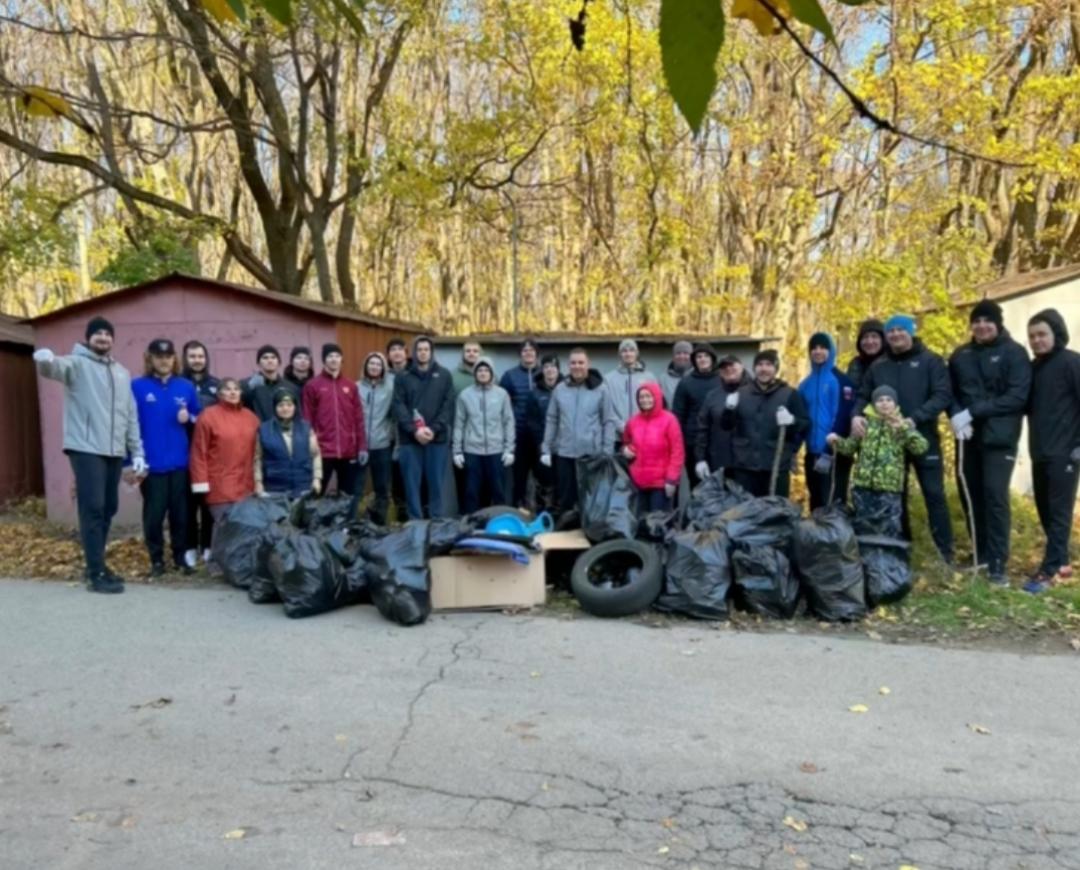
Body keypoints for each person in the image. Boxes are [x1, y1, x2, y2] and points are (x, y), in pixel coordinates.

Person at [33, 316, 146, 593]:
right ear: (88, 338)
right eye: (97, 334)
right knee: (93, 506)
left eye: (107, 334)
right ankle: (94, 572)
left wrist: (138, 451)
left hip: (113, 450)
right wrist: (45, 361)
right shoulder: (76, 363)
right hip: (85, 447)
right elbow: (55, 368)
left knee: (109, 507)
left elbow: (130, 415)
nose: (103, 338)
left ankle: (97, 563)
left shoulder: (121, 372)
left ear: (112, 340)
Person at [855, 313, 954, 563]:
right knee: (895, 495)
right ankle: (900, 550)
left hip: (923, 437)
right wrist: (856, 416)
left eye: (901, 330)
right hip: (890, 444)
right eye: (891, 331)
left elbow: (942, 395)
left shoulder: (931, 361)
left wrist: (914, 419)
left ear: (911, 332)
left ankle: (945, 554)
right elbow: (863, 395)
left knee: (934, 494)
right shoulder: (879, 366)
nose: (896, 335)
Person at [948, 300, 1031, 585]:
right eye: (977, 321)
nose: (982, 326)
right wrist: (957, 415)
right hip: (968, 437)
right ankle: (980, 554)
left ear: (998, 324)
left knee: (995, 497)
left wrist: (974, 411)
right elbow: (950, 391)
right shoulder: (961, 355)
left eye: (988, 321)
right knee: (971, 495)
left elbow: (1016, 397)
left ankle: (998, 563)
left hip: (1000, 438)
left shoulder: (1015, 353)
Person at [131, 339, 202, 578]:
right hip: (151, 465)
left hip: (180, 464)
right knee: (153, 516)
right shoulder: (137, 387)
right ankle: (157, 560)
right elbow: (128, 426)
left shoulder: (185, 386)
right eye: (159, 356)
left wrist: (189, 418)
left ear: (174, 359)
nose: (164, 361)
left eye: (168, 356)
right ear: (150, 359)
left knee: (180, 515)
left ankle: (180, 557)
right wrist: (129, 461)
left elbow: (200, 420)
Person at [1023, 309, 1080, 593]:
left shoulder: (1072, 362)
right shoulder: (1034, 369)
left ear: (1056, 333)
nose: (1036, 340)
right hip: (1040, 451)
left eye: (1042, 334)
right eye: (1032, 336)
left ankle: (1048, 571)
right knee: (1045, 511)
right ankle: (1063, 563)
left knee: (1059, 513)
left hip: (1066, 454)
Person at [827, 386, 929, 537]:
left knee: (889, 529)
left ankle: (889, 559)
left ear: (895, 404)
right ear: (874, 404)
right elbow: (849, 448)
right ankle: (866, 559)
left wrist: (903, 430)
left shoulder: (902, 424)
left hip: (889, 488)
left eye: (889, 400)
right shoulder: (864, 424)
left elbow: (921, 447)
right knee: (863, 527)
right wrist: (836, 441)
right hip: (863, 487)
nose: (885, 403)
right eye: (880, 400)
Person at [720, 349, 809, 498]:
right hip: (745, 468)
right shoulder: (741, 394)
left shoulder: (789, 394)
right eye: (760, 364)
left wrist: (792, 421)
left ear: (775, 369)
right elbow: (726, 426)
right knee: (746, 515)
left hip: (776, 467)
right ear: (754, 368)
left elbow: (805, 425)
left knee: (775, 515)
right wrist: (729, 409)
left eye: (769, 364)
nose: (764, 369)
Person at [541, 348, 614, 519]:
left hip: (590, 455)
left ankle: (588, 536)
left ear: (588, 364)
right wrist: (546, 447)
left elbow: (608, 421)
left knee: (589, 500)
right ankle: (568, 535)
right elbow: (552, 419)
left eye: (581, 362)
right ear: (568, 365)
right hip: (565, 453)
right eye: (573, 363)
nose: (577, 366)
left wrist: (607, 450)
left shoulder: (600, 389)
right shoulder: (560, 389)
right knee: (566, 499)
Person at [392, 336, 454, 519]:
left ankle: (436, 524)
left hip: (437, 440)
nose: (423, 353)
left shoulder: (444, 375)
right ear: (414, 352)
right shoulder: (403, 377)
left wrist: (433, 429)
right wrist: (414, 430)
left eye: (426, 349)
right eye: (419, 349)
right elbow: (398, 406)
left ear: (431, 352)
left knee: (436, 485)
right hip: (410, 441)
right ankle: (415, 525)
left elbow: (448, 405)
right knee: (412, 486)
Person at [189, 377, 260, 534]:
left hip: (246, 486)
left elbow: (259, 452)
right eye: (228, 389)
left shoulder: (251, 417)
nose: (232, 392)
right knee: (225, 529)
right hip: (220, 486)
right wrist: (201, 482)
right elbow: (199, 451)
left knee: (245, 530)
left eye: (236, 388)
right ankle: (218, 558)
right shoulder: (208, 416)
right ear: (219, 394)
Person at [302, 343, 366, 510]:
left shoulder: (351, 386)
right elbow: (307, 419)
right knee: (317, 493)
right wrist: (310, 444)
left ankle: (345, 530)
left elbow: (358, 419)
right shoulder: (313, 386)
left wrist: (362, 447)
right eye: (330, 356)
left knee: (347, 496)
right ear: (324, 360)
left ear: (341, 359)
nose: (334, 359)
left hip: (348, 451)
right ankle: (313, 531)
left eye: (337, 356)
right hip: (322, 451)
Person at [798, 332, 855, 510]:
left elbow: (844, 416)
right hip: (812, 453)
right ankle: (816, 537)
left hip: (834, 452)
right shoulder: (805, 384)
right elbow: (802, 418)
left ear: (831, 350)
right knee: (816, 500)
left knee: (833, 500)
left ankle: (837, 537)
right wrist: (794, 449)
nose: (818, 351)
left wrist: (829, 450)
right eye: (814, 348)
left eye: (823, 347)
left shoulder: (841, 381)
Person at [452, 357, 515, 513]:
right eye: (479, 370)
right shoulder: (465, 395)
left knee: (498, 492)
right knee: (471, 492)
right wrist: (457, 451)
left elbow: (508, 422)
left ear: (492, 373)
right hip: (472, 451)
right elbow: (459, 424)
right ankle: (471, 525)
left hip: (496, 451)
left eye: (486, 370)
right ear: (475, 373)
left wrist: (509, 449)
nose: (483, 373)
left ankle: (499, 523)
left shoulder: (502, 394)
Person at [181, 340, 219, 566]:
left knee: (207, 502)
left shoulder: (216, 385)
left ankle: (207, 545)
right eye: (192, 356)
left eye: (200, 356)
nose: (197, 360)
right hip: (183, 452)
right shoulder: (178, 384)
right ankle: (189, 547)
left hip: (209, 455)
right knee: (187, 504)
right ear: (185, 358)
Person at [623, 382, 685, 513]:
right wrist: (626, 450)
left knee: (658, 526)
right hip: (638, 483)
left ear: (657, 397)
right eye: (641, 397)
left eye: (648, 396)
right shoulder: (633, 422)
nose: (645, 400)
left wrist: (672, 479)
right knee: (640, 526)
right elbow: (626, 442)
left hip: (661, 484)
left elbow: (677, 452)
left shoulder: (670, 420)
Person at [693, 355, 751, 482]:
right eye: (724, 367)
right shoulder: (712, 396)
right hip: (719, 463)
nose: (728, 369)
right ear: (719, 373)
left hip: (750, 466)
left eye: (732, 365)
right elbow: (702, 428)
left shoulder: (756, 392)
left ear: (742, 366)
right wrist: (700, 459)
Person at [254, 389, 322, 498]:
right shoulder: (264, 429)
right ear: (275, 408)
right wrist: (258, 482)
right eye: (281, 405)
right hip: (274, 488)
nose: (285, 409)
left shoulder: (305, 427)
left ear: (295, 407)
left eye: (289, 405)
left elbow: (315, 455)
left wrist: (317, 479)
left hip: (303, 486)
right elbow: (258, 459)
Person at [500, 338, 541, 506]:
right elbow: (503, 405)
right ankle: (518, 509)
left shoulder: (546, 373)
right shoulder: (509, 376)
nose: (528, 353)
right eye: (525, 350)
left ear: (536, 354)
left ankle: (541, 511)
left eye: (531, 350)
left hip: (540, 435)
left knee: (542, 477)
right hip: (519, 433)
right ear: (520, 354)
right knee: (519, 477)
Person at [672, 343, 720, 479]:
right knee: (697, 486)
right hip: (693, 443)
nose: (702, 359)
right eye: (699, 356)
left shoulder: (722, 380)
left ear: (712, 359)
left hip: (718, 442)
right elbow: (678, 416)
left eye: (706, 356)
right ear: (694, 360)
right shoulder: (686, 383)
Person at [358, 352, 396, 525]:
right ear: (365, 366)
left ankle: (380, 523)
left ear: (383, 368)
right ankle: (353, 521)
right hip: (359, 445)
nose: (374, 367)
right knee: (356, 488)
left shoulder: (390, 388)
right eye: (371, 363)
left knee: (382, 488)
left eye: (378, 364)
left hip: (382, 444)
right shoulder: (355, 387)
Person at [524, 354, 561, 513]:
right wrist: (542, 443)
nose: (550, 370)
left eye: (553, 367)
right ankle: (545, 512)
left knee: (562, 481)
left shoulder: (566, 388)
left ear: (558, 370)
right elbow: (531, 421)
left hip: (563, 445)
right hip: (542, 446)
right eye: (546, 367)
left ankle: (561, 512)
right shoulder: (535, 392)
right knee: (544, 481)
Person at [605, 338, 656, 447]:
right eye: (624, 351)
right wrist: (622, 427)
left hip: (644, 436)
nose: (628, 354)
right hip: (618, 438)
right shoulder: (609, 379)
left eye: (631, 350)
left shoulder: (649, 377)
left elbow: (656, 405)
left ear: (637, 353)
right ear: (619, 354)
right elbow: (607, 408)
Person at [385, 337, 410, 521]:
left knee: (412, 473)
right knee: (395, 477)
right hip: (390, 433)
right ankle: (400, 513)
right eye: (393, 349)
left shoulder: (414, 373)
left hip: (410, 431)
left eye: (400, 349)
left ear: (406, 353)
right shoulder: (384, 376)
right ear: (388, 355)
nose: (396, 352)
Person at [242, 345, 300, 422]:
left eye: (273, 357)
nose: (270, 360)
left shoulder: (291, 388)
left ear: (279, 362)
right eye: (265, 358)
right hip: (258, 432)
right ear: (258, 363)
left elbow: (297, 415)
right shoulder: (247, 385)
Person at [846, 318, 886, 394]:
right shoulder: (855, 364)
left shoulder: (890, 362)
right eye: (865, 337)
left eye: (874, 337)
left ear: (883, 340)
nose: (869, 341)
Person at [659, 340, 694, 407]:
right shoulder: (663, 379)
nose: (682, 356)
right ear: (673, 356)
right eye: (678, 353)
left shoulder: (698, 376)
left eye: (686, 353)